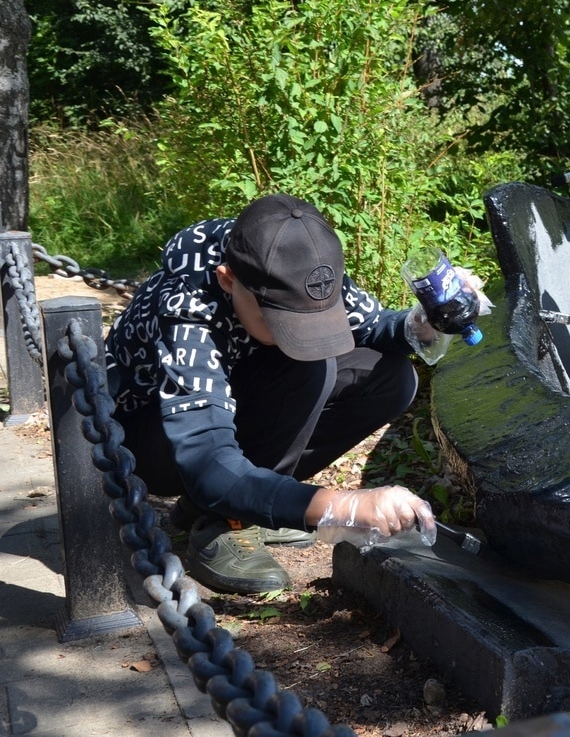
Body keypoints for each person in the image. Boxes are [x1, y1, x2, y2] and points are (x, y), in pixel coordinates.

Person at [105, 193, 440, 595]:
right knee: (309, 364)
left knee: (390, 377)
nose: (298, 330)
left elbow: (369, 326)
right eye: (278, 318)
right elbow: (206, 459)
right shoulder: (187, 309)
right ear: (228, 279)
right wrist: (342, 507)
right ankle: (222, 519)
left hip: (230, 400)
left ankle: (244, 504)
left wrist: (422, 324)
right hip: (149, 441)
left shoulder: (300, 263)